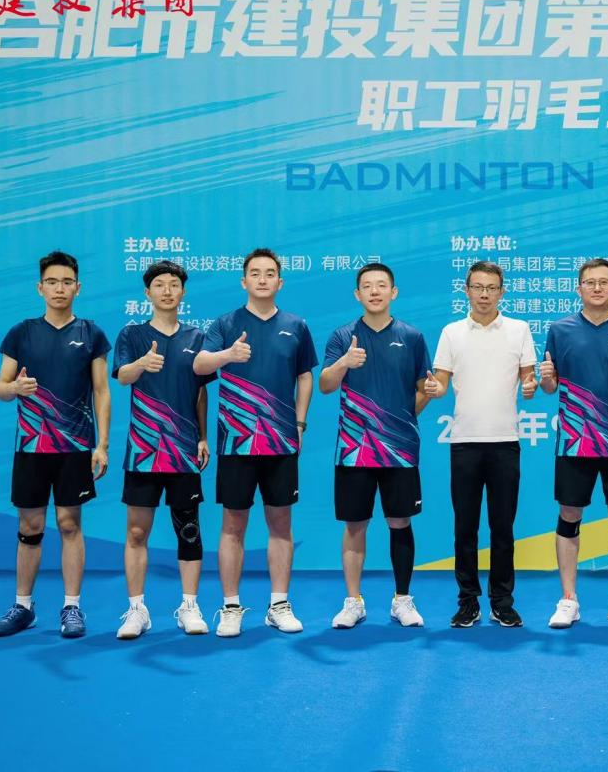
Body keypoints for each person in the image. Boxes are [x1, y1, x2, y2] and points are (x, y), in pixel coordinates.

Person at [193, 248, 317, 637]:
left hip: (281, 442)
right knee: (233, 524)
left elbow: (306, 376)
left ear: (280, 282)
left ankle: (279, 604)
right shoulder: (225, 324)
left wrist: (299, 422)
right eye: (255, 273)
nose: (262, 279)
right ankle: (231, 606)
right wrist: (227, 355)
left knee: (281, 523)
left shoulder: (296, 325)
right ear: (244, 281)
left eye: (270, 273)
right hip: (237, 442)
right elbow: (199, 365)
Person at [0, 251, 111, 639]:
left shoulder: (91, 334)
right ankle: (23, 606)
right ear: (40, 287)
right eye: (53, 282)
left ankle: (72, 607)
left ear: (78, 287)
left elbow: (101, 391)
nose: (60, 288)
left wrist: (101, 444)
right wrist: (15, 387)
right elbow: (1, 388)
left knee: (70, 523)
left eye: (67, 282)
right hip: (32, 446)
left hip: (75, 447)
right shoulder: (21, 333)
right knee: (30, 525)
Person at [540, 258, 608, 629]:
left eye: (605, 282)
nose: (597, 288)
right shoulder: (560, 330)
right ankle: (568, 599)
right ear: (579, 288)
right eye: (590, 282)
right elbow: (550, 387)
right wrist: (546, 378)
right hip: (576, 440)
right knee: (569, 515)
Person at [425, 262, 537, 627]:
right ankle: (468, 601)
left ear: (502, 292)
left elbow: (528, 377)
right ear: (467, 290)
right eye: (478, 287)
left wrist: (531, 386)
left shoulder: (519, 329)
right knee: (465, 528)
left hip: (505, 442)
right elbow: (441, 383)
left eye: (491, 288)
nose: (484, 294)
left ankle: (502, 601)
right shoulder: (452, 332)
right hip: (465, 443)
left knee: (503, 528)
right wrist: (434, 389)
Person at [320, 263, 431, 629]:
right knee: (356, 525)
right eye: (367, 286)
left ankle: (403, 600)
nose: (374, 291)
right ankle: (353, 601)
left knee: (400, 522)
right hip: (355, 449)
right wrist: (344, 362)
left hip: (400, 449)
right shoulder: (342, 336)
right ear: (358, 294)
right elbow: (325, 385)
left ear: (393, 292)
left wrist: (407, 413)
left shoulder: (412, 336)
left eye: (381, 285)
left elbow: (423, 390)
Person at [111, 261, 216, 639]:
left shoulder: (198, 338)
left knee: (188, 530)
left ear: (183, 292)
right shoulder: (132, 334)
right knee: (137, 531)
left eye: (174, 284)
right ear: (148, 293)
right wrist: (141, 363)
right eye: (159, 284)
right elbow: (122, 377)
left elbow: (201, 392)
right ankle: (136, 610)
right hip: (144, 450)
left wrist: (202, 437)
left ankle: (189, 606)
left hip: (184, 450)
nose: (167, 290)